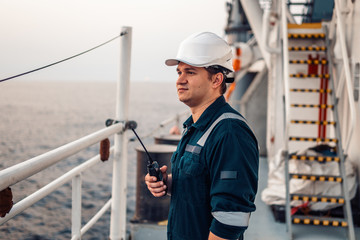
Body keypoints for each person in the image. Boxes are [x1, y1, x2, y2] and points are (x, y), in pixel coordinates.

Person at [145, 32, 259, 240]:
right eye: (179, 72)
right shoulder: (195, 127)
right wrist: (166, 182)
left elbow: (231, 218)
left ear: (217, 79)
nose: (180, 80)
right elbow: (200, 184)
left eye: (190, 72)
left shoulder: (230, 133)